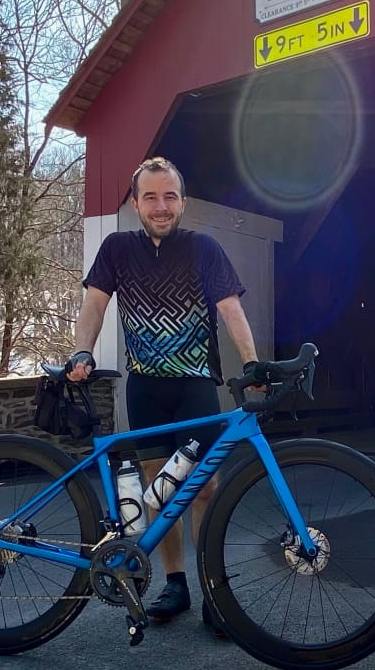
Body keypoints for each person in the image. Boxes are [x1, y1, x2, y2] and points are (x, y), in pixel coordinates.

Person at [66, 157, 262, 628]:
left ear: (182, 202)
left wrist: (251, 361)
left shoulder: (203, 248)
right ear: (135, 203)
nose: (160, 206)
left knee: (202, 489)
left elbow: (230, 308)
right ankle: (175, 585)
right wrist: (81, 351)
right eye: (150, 197)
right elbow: (94, 302)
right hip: (146, 387)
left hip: (195, 385)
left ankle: (215, 588)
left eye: (169, 196)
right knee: (158, 491)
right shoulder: (117, 248)